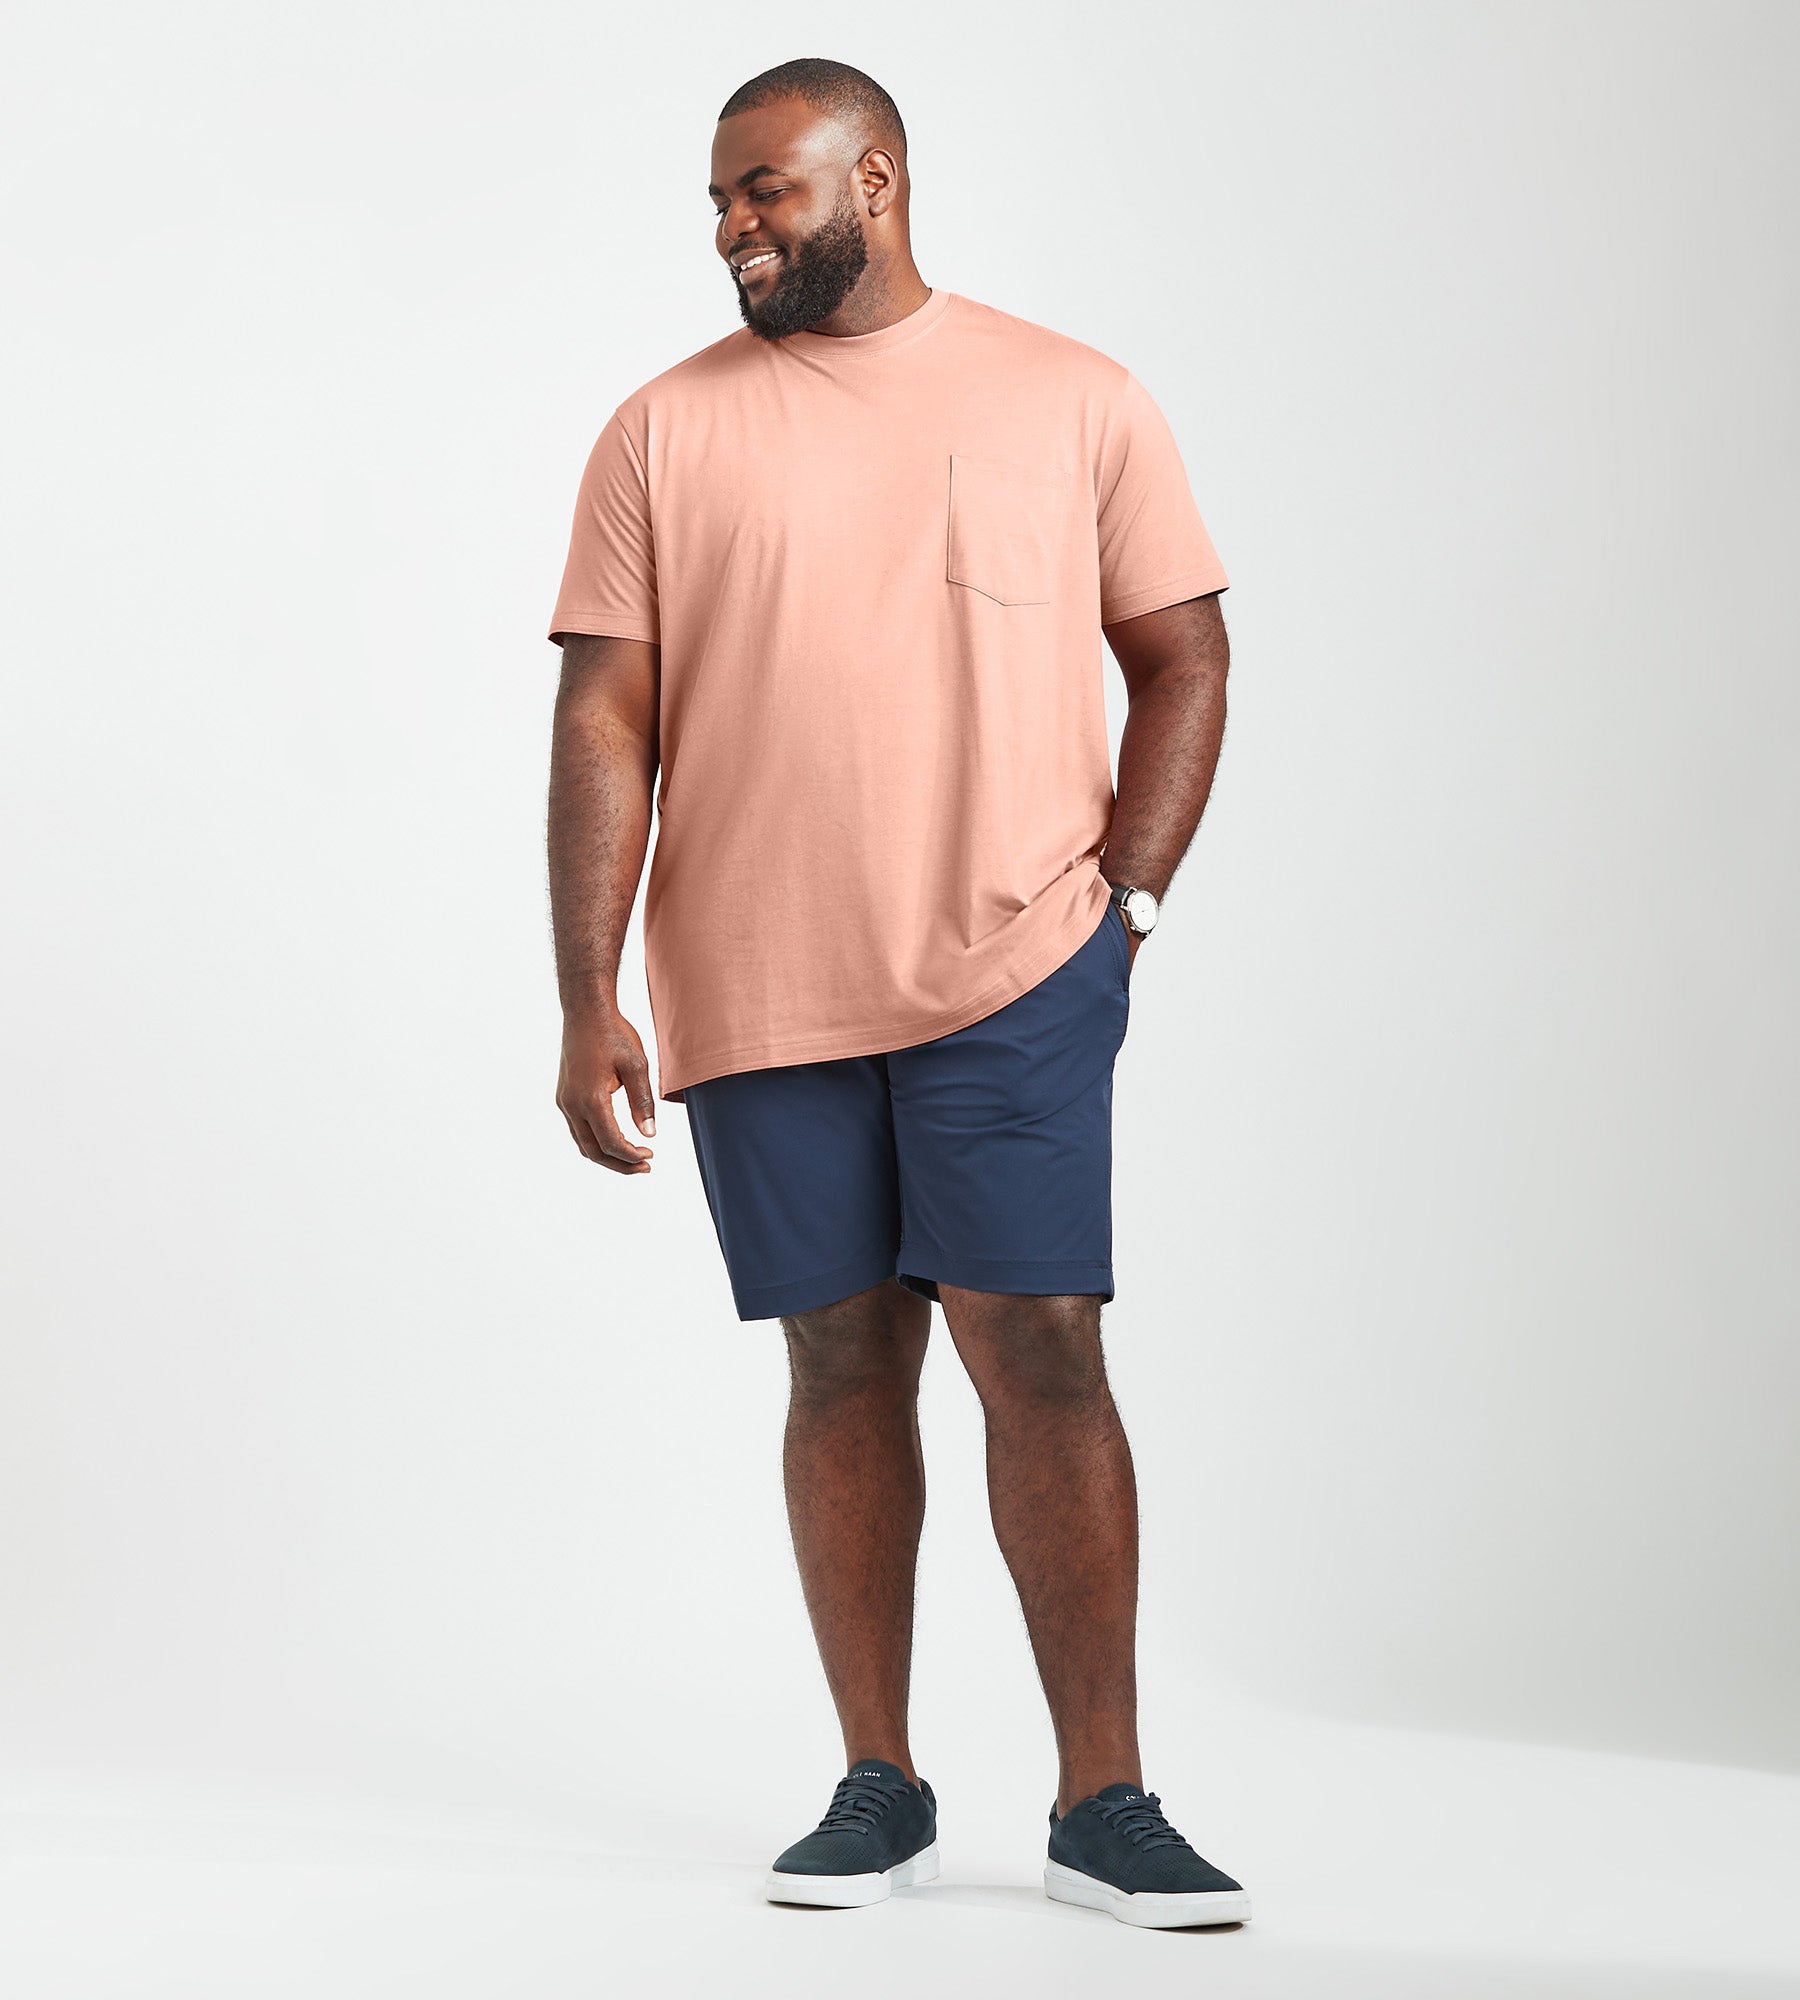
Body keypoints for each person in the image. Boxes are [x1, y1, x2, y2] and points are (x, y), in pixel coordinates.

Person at [544, 57, 1248, 1931]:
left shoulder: (1072, 396)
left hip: (1015, 967)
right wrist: (586, 990)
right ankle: (881, 1782)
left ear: (878, 181)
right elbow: (605, 718)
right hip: (757, 980)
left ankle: (1105, 1802)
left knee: (1043, 1350)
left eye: (762, 189)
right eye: (717, 201)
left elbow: (1184, 655)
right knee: (840, 1364)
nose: (731, 227)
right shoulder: (658, 432)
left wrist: (1129, 908)